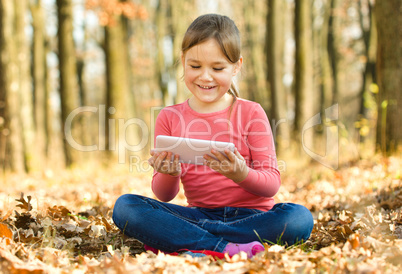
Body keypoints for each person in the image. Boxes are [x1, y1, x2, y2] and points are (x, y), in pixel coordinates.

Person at [112, 14, 314, 258]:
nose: (205, 77)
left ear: (236, 66)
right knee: (126, 207)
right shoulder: (169, 117)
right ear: (183, 61)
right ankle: (227, 248)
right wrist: (169, 172)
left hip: (253, 218)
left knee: (298, 218)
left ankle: (188, 240)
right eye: (195, 66)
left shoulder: (251, 112)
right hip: (198, 214)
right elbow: (164, 195)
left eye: (217, 68)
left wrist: (241, 174)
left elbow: (271, 184)